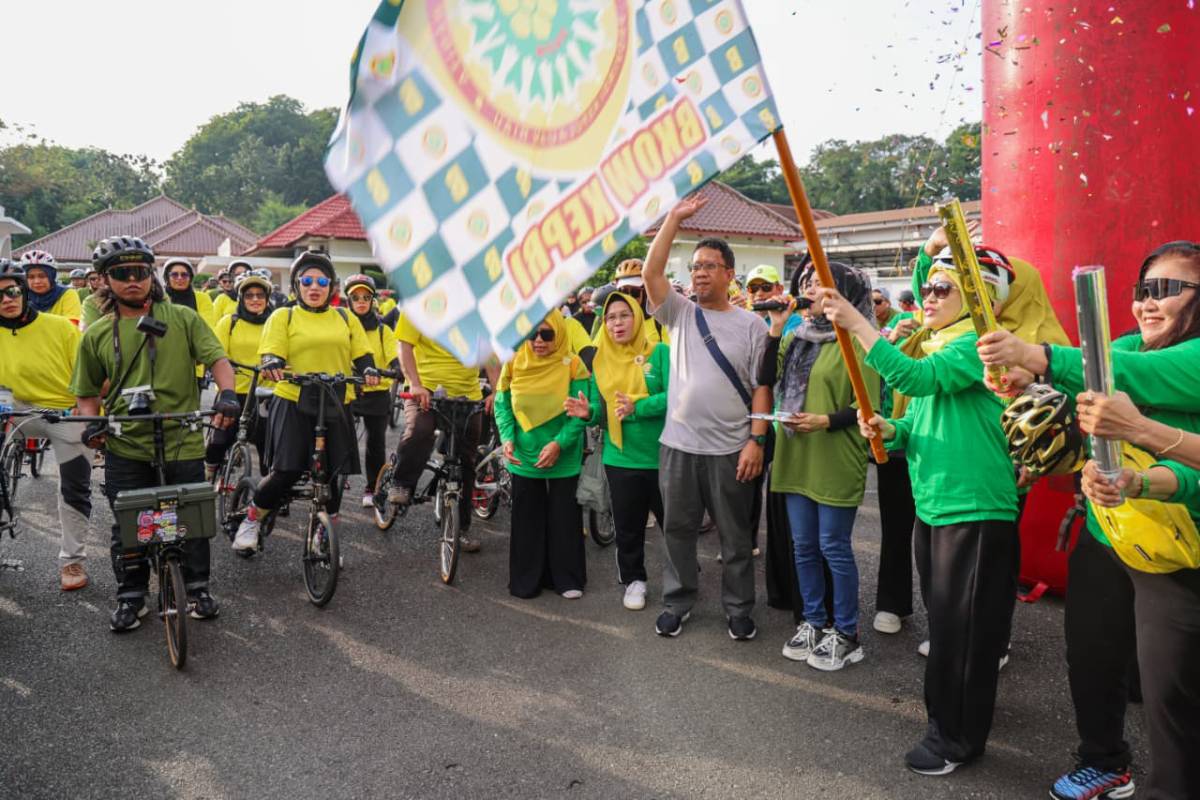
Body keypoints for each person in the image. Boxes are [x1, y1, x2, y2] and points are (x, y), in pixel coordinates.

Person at [977, 240, 1200, 800]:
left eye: (1170, 290)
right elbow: (1077, 401)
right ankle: (1103, 761)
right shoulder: (1122, 345)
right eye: (1144, 290)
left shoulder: (1172, 358)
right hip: (1109, 533)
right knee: (1092, 657)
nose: (1151, 302)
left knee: (1171, 691)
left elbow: (1127, 374)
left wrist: (1036, 355)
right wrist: (1025, 389)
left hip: (1179, 552)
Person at [822, 251, 1019, 776]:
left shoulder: (980, 343)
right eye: (927, 287)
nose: (928, 296)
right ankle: (951, 720)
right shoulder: (941, 345)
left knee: (963, 632)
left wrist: (860, 323)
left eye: (942, 288)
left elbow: (913, 380)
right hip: (935, 505)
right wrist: (894, 431)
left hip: (974, 506)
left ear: (978, 298)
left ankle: (955, 738)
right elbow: (926, 416)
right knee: (948, 626)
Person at [69, 235, 239, 631]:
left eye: (140, 272)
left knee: (191, 516)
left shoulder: (182, 318)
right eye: (122, 273)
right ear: (104, 280)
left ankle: (197, 587)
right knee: (130, 521)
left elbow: (217, 358)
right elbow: (86, 392)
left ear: (151, 275)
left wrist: (227, 394)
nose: (133, 280)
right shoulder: (97, 333)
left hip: (181, 438)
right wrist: (92, 421)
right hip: (126, 442)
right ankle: (131, 595)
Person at [641, 193, 771, 641]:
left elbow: (761, 387)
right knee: (677, 530)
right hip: (678, 446)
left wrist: (756, 440)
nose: (699, 272)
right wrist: (673, 220)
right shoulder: (679, 313)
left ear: (729, 274)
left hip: (730, 449)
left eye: (709, 265)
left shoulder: (751, 326)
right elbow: (650, 273)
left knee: (735, 539)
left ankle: (738, 609)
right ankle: (677, 602)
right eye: (695, 265)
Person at [761, 262, 879, 671]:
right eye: (805, 283)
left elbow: (869, 408)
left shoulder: (858, 341)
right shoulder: (795, 336)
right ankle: (814, 620)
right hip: (795, 455)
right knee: (804, 547)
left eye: (818, 284)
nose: (808, 289)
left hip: (834, 455)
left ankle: (847, 632)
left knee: (833, 547)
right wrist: (775, 327)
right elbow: (765, 378)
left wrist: (824, 420)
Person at [233, 251, 379, 555]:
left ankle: (323, 537)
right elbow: (272, 352)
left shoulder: (344, 316)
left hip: (336, 400)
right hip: (293, 398)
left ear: (331, 287)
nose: (315, 287)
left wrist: (368, 370)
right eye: (308, 281)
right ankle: (252, 518)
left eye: (322, 281)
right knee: (286, 470)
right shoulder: (283, 316)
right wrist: (273, 362)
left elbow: (362, 354)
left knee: (334, 473)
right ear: (297, 286)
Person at [564, 291, 669, 610]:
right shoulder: (599, 360)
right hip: (620, 456)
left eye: (624, 315)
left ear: (637, 317)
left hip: (664, 453)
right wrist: (589, 414)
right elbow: (599, 408)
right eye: (610, 317)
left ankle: (682, 577)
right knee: (628, 525)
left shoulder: (660, 353)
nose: (617, 323)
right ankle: (634, 580)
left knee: (674, 524)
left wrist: (638, 407)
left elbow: (677, 396)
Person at [0, 259, 93, 591]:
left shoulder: (61, 327)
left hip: (62, 411)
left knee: (74, 487)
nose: (6, 299)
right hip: (11, 412)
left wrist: (90, 415)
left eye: (12, 291)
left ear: (23, 291)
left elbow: (90, 377)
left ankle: (73, 560)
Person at [495, 311, 590, 599]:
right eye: (532, 333)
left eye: (547, 334)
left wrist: (559, 444)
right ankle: (526, 580)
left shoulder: (573, 364)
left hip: (564, 453)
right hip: (524, 454)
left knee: (564, 517)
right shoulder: (513, 361)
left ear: (559, 334)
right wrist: (507, 438)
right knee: (526, 519)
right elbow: (502, 404)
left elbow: (580, 413)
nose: (538, 340)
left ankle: (566, 578)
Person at [385, 312, 497, 553]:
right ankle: (402, 482)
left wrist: (496, 391)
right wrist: (414, 383)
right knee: (419, 431)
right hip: (424, 389)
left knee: (467, 463)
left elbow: (490, 356)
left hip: (468, 394)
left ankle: (462, 529)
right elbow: (404, 347)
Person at [204, 270, 275, 482]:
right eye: (249, 295)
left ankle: (269, 489)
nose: (255, 299)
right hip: (233, 392)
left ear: (267, 299)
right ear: (241, 298)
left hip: (265, 393)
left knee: (267, 445)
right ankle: (209, 474)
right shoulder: (229, 322)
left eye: (260, 295)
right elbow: (217, 354)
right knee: (219, 440)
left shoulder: (275, 322)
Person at [343, 274, 400, 507]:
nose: (361, 301)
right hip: (348, 390)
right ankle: (337, 477)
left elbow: (394, 355)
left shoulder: (383, 330)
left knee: (376, 443)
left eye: (366, 297)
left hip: (377, 392)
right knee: (339, 436)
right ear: (349, 301)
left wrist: (398, 368)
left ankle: (372, 488)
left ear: (373, 300)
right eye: (355, 297)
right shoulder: (341, 325)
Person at [161, 258, 218, 388]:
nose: (180, 278)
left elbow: (206, 328)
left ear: (190, 277)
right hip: (163, 364)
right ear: (167, 278)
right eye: (174, 274)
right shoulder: (159, 299)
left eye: (184, 274)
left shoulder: (202, 298)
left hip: (194, 362)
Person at [18, 250, 81, 326]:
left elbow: (71, 326)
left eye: (42, 276)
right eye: (31, 277)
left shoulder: (67, 294)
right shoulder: (19, 296)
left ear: (52, 276)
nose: (37, 281)